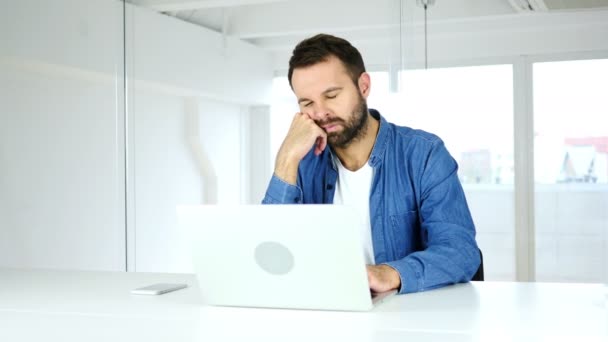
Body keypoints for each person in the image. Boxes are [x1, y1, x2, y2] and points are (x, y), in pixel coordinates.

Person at [262, 33, 480, 294]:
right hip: (328, 312)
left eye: (331, 95)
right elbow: (268, 256)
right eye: (307, 103)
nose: (320, 113)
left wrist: (391, 274)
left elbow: (460, 252)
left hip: (408, 318)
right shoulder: (303, 163)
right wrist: (286, 158)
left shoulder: (424, 154)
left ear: (363, 86)